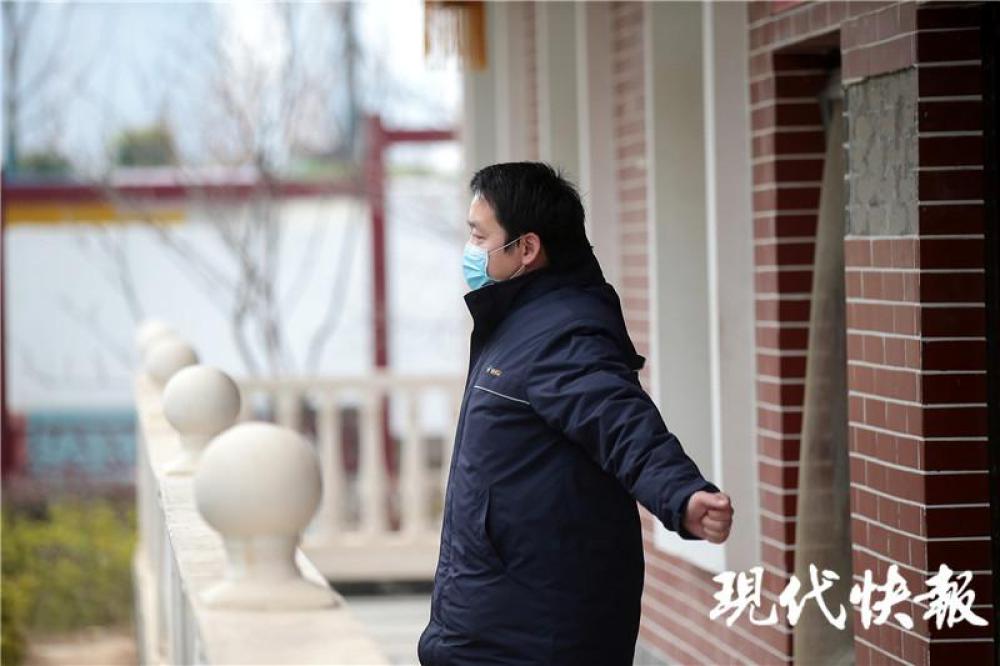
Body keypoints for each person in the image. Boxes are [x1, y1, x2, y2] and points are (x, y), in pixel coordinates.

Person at [416, 162, 734, 665]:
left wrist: (681, 494)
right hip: (495, 618)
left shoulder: (561, 332)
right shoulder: (518, 323)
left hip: (533, 634)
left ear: (526, 248)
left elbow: (621, 423)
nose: (470, 250)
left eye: (480, 236)